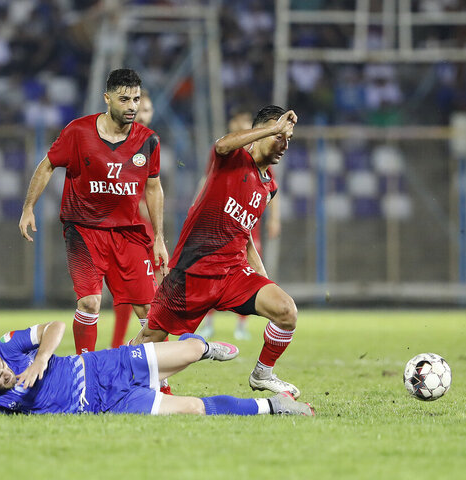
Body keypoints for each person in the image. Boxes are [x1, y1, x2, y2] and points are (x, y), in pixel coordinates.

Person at [132, 106, 303, 399]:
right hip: (192, 272)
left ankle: (263, 374)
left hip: (233, 273)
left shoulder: (268, 186)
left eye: (288, 140)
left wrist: (261, 276)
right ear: (262, 131)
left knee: (286, 311)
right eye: (280, 138)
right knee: (151, 338)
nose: (284, 145)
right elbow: (222, 144)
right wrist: (274, 129)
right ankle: (114, 377)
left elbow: (244, 232)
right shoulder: (233, 159)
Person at [19, 69, 169, 355]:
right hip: (84, 230)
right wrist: (28, 207)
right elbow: (48, 164)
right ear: (107, 98)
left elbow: (153, 188)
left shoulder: (149, 140)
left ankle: (157, 381)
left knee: (151, 312)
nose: (132, 106)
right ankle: (84, 371)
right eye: (124, 99)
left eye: (136, 99)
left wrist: (159, 236)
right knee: (89, 303)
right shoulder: (78, 131)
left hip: (128, 233)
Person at [0, 321, 313, 417]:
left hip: (108, 363)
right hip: (109, 403)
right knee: (193, 409)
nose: (3, 374)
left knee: (193, 351)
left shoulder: (8, 346)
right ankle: (275, 407)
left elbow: (54, 328)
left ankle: (200, 345)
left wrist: (41, 358)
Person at [199, 108, 282, 341]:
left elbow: (272, 188)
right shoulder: (225, 152)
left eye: (247, 122)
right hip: (219, 225)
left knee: (251, 270)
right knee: (211, 272)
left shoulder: (262, 153)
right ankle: (207, 321)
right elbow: (208, 179)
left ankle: (242, 325)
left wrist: (274, 218)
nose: (243, 126)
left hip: (247, 228)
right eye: (239, 122)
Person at [110, 89, 159, 348]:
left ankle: (135, 348)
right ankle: (122, 348)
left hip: (145, 228)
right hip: (119, 229)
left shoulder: (150, 142)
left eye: (148, 110)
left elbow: (152, 187)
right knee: (129, 296)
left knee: (157, 288)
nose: (143, 115)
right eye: (140, 110)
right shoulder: (115, 141)